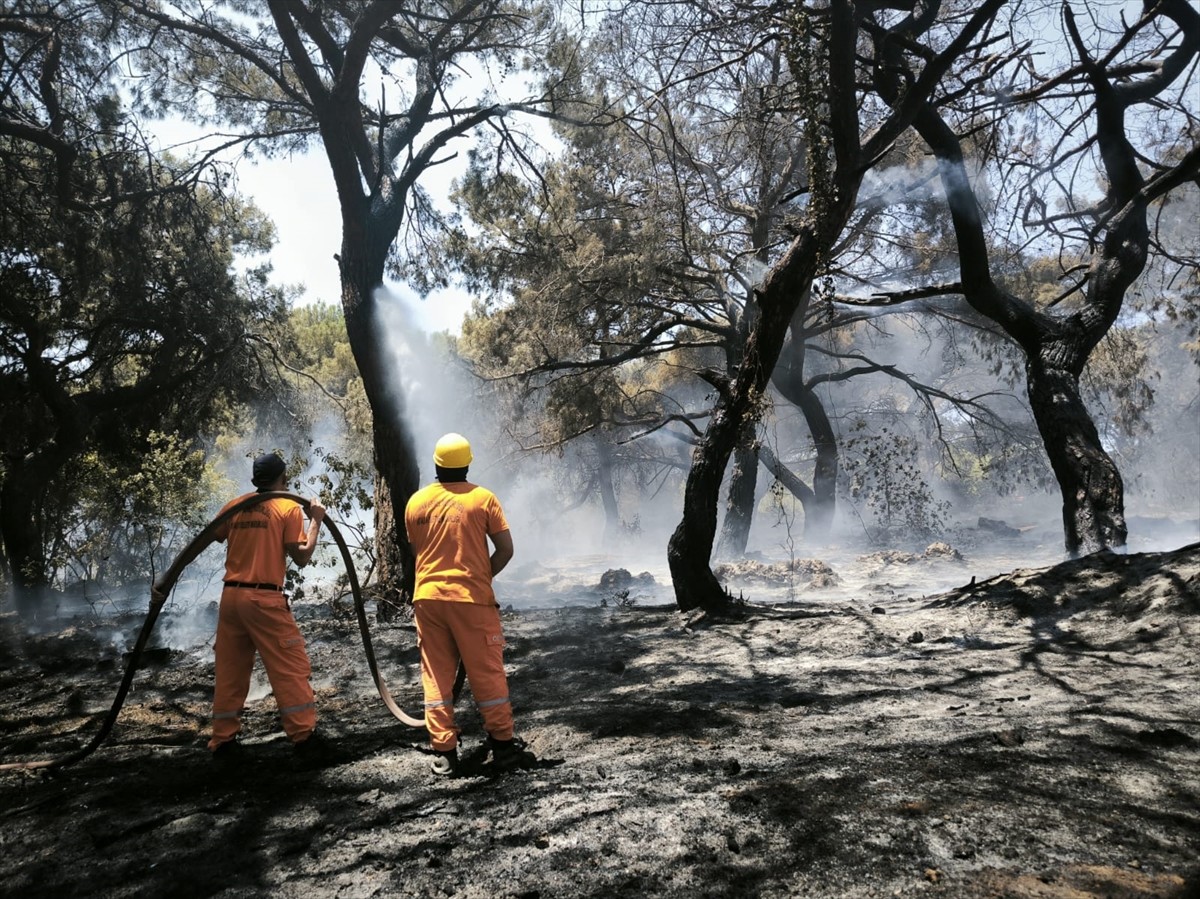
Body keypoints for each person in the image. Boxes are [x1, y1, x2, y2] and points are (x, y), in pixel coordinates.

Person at [158, 452, 333, 765]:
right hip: (263, 600)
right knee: (289, 666)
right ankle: (305, 739)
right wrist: (316, 520)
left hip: (231, 600)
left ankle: (223, 742)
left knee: (231, 671)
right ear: (283, 477)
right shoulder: (288, 507)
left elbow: (200, 542)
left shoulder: (236, 507)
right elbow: (302, 556)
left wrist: (168, 578)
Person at [404, 433, 533, 776]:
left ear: (435, 465)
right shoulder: (483, 499)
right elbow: (505, 549)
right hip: (471, 601)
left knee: (435, 674)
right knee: (486, 672)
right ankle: (503, 747)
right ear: (468, 463)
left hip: (428, 599)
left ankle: (444, 752)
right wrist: (481, 578)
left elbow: (420, 553)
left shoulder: (415, 503)